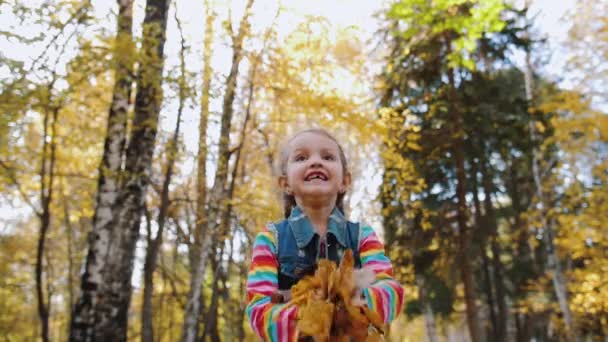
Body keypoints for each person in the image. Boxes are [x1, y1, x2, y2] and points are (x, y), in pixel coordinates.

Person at [245, 128, 404, 341]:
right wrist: (312, 319)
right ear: (285, 184)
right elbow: (259, 309)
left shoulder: (362, 236)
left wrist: (348, 303)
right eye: (301, 157)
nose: (315, 162)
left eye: (328, 157)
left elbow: (391, 292)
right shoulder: (270, 239)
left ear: (344, 182)